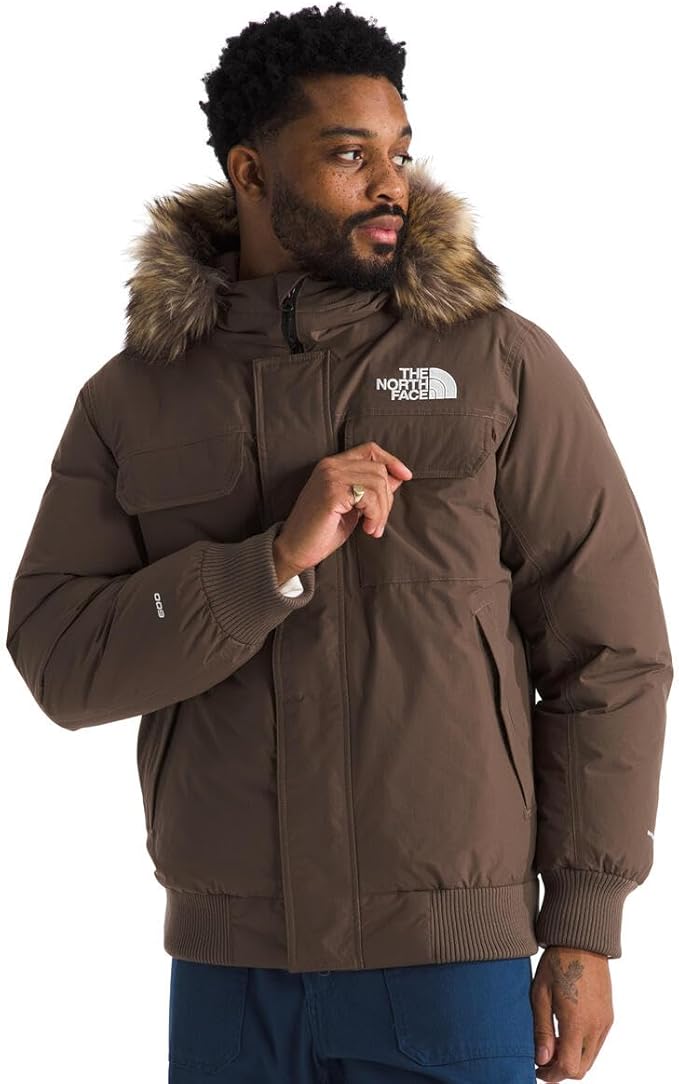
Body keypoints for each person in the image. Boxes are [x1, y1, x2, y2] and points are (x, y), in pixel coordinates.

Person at [5, 3, 673, 1082]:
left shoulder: (494, 363)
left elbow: (610, 654)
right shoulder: (134, 397)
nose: (390, 184)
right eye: (350, 155)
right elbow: (60, 657)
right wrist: (265, 566)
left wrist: (584, 924)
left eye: (399, 152)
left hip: (451, 963)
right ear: (251, 172)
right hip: (231, 972)